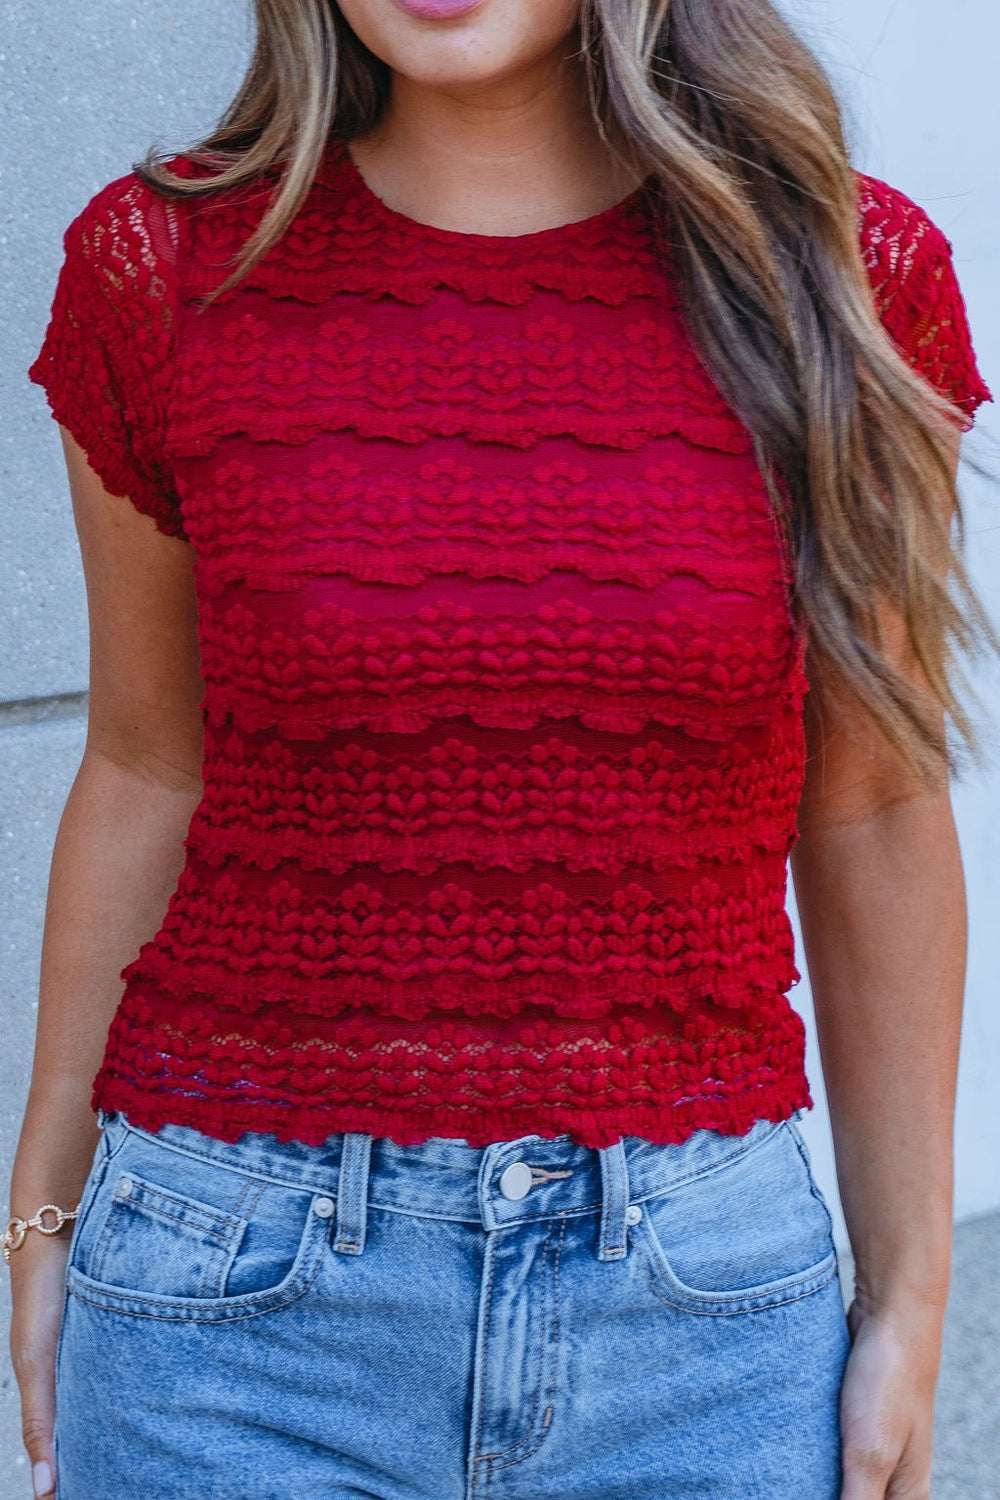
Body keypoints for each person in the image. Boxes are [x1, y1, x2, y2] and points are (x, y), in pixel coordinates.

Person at [7, 0, 994, 1496]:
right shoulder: (166, 267)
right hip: (234, 1315)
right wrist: (41, 1209)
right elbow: (149, 763)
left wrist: (912, 1294)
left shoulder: (846, 270)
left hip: (702, 1322)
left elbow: (872, 807)